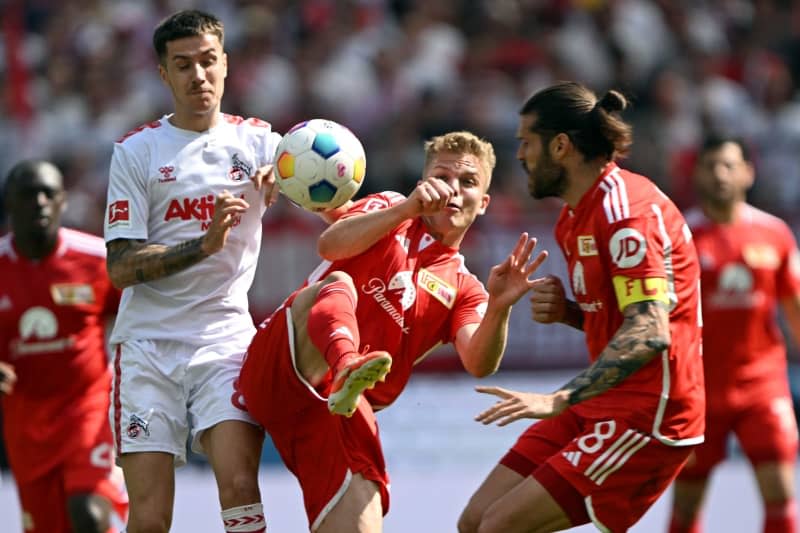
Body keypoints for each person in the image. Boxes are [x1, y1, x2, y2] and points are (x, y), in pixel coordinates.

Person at [237, 130, 548, 532]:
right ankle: (348, 362)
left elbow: (478, 361)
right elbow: (331, 245)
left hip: (338, 412)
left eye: (468, 182)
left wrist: (500, 308)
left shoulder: (466, 289)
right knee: (338, 286)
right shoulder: (388, 207)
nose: (453, 190)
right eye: (443, 177)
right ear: (423, 183)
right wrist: (406, 210)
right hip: (285, 362)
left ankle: (349, 380)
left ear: (483, 202)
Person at [459, 81, 706, 533]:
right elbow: (624, 317)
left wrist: (560, 397)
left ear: (561, 146)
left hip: (650, 413)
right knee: (474, 522)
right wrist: (570, 313)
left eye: (526, 143)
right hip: (602, 400)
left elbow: (651, 331)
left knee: (499, 527)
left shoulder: (625, 214)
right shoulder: (574, 216)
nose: (520, 156)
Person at [103, 10, 281, 533]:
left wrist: (292, 177)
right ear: (164, 74)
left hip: (223, 340)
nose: (198, 76)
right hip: (147, 348)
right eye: (183, 65)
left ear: (226, 65)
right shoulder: (136, 153)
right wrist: (203, 246)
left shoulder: (262, 145)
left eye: (207, 62)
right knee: (152, 515)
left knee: (240, 486)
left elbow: (335, 191)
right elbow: (120, 267)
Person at [667, 136, 800, 532]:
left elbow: (794, 306)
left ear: (748, 172)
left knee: (780, 492)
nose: (720, 174)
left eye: (728, 165)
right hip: (698, 388)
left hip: (763, 385)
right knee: (687, 501)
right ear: (697, 174)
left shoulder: (774, 233)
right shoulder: (680, 235)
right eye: (711, 166)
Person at [0, 160, 128, 532]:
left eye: (49, 194)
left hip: (87, 413)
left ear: (62, 202)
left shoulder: (97, 259)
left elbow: (142, 315)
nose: (39, 202)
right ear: (10, 203)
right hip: (26, 425)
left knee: (87, 514)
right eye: (28, 195)